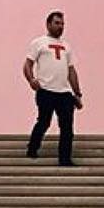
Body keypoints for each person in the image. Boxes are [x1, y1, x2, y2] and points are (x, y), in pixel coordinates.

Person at [23, 10, 83, 164]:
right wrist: (31, 79)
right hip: (46, 90)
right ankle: (32, 148)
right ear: (48, 24)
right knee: (44, 122)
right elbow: (28, 64)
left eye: (62, 24)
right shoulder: (39, 43)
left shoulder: (66, 46)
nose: (60, 26)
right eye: (57, 23)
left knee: (67, 127)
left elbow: (71, 70)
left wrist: (77, 93)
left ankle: (65, 159)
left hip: (64, 93)